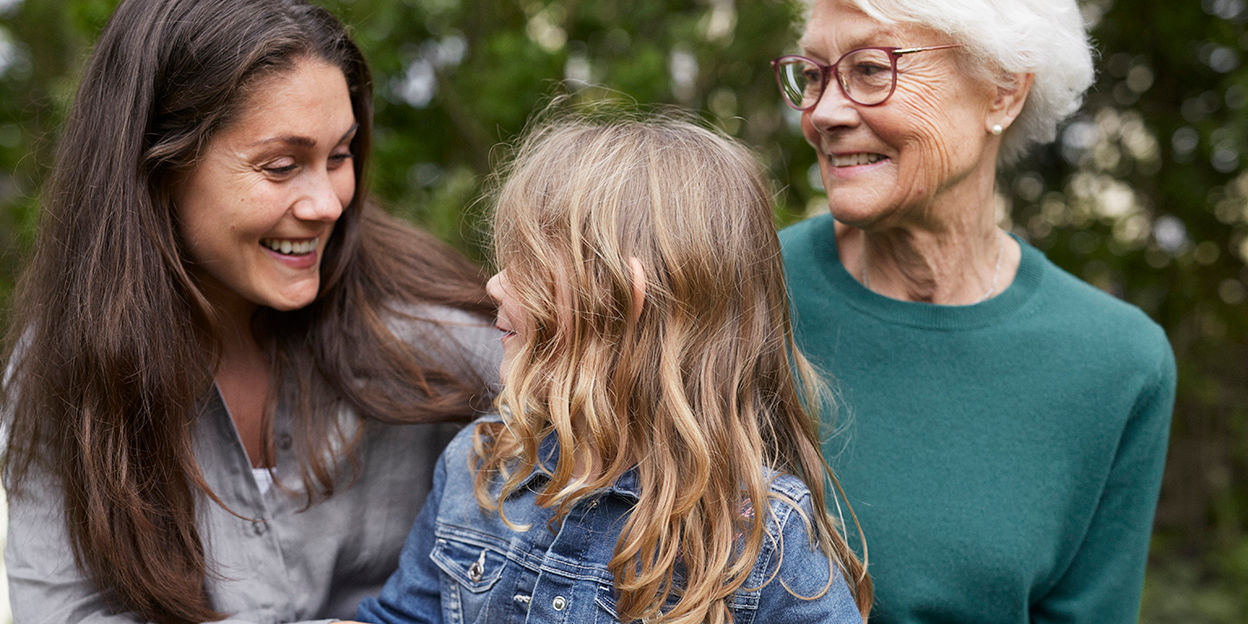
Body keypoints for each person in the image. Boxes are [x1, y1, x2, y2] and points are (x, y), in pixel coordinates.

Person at [0, 0, 500, 622]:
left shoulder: (436, 329)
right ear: (158, 166)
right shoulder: (64, 367)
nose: (326, 203)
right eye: (281, 166)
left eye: (340, 156)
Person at [354, 113, 873, 624]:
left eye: (529, 268)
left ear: (623, 299)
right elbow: (404, 615)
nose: (495, 284)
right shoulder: (480, 462)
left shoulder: (757, 538)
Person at [771, 0, 1176, 622]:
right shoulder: (738, 291)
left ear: (1002, 93)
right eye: (817, 75)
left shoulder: (1117, 362)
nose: (823, 113)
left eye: (871, 70)